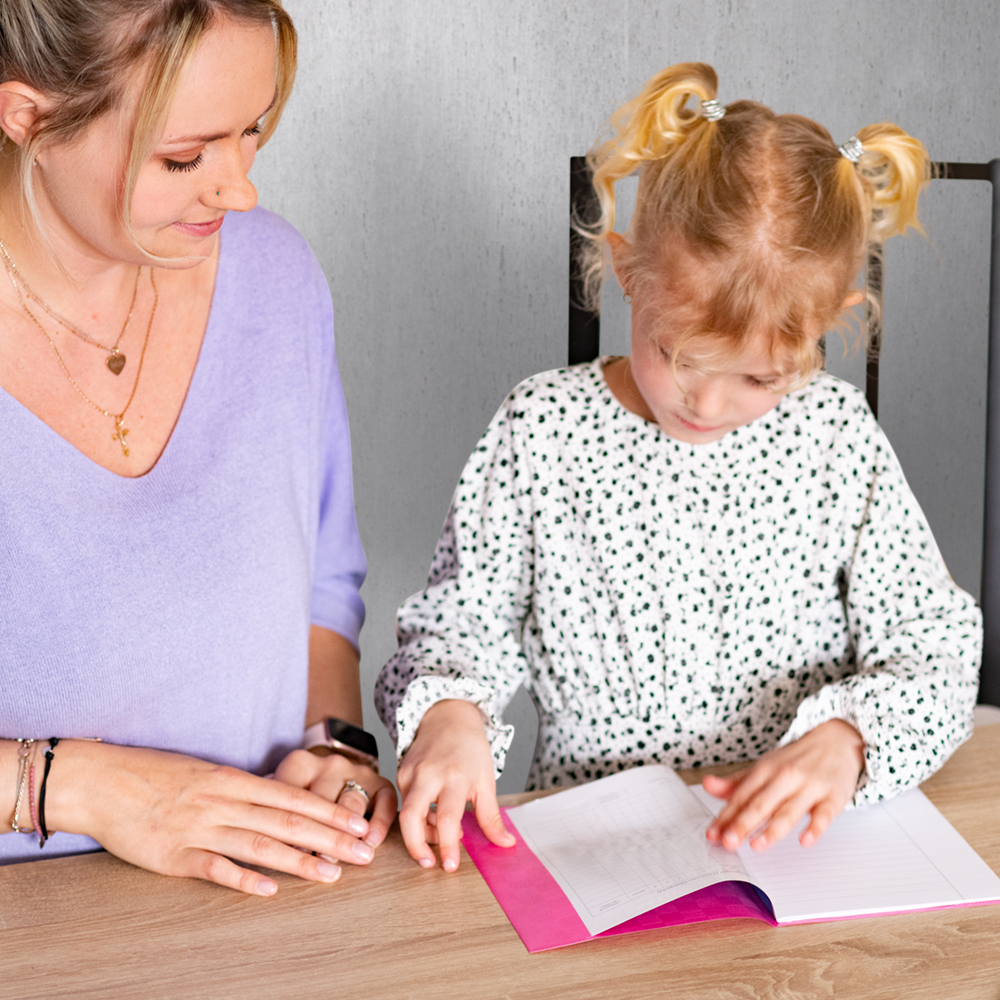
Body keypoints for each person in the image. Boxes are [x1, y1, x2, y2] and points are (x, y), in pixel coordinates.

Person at [375, 62, 982, 873]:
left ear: (828, 327)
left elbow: (936, 646)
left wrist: (849, 740)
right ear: (627, 273)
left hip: (799, 850)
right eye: (680, 357)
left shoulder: (835, 434)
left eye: (760, 378)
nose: (709, 402)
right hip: (597, 851)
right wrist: (450, 714)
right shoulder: (543, 427)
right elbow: (459, 622)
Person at [0, 0, 396, 895]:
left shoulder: (277, 276)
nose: (239, 189)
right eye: (184, 157)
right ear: (30, 119)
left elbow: (322, 584)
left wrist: (336, 749)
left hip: (257, 910)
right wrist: (78, 785)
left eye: (252, 131)